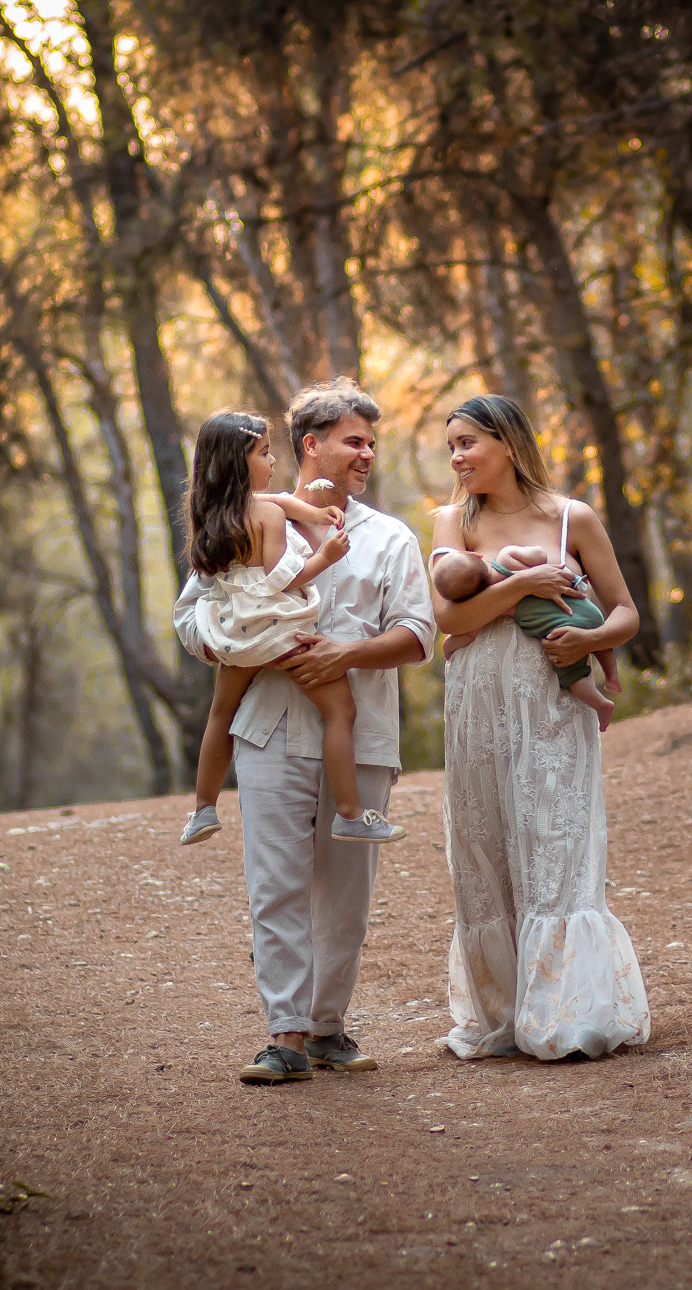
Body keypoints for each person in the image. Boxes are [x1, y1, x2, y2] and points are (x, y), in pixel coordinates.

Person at [174, 381, 436, 1086]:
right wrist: (235, 645)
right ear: (310, 445)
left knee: (345, 894)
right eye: (355, 440)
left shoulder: (391, 538)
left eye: (372, 443)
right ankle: (284, 1036)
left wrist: (343, 654)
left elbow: (419, 636)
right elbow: (189, 615)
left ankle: (327, 1026)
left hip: (361, 732)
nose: (367, 454)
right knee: (276, 887)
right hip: (266, 729)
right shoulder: (242, 519)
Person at [428, 393, 651, 1061]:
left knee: (553, 841)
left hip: (551, 706)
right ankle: (502, 1011)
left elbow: (625, 614)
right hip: (478, 706)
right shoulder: (452, 522)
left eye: (468, 442)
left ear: (508, 442)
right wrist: (524, 589)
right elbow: (453, 621)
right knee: (486, 847)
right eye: (451, 447)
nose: (458, 458)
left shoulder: (570, 518)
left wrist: (583, 643)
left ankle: (565, 1011)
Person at [175, 411, 403, 849]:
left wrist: (316, 508)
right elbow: (283, 577)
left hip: (236, 634)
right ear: (241, 464)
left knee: (221, 713)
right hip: (277, 634)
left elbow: (284, 501)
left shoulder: (216, 513)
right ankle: (353, 814)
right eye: (264, 453)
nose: (274, 461)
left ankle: (202, 809)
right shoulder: (266, 516)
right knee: (340, 712)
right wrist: (327, 556)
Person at [431, 541, 623, 731]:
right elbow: (539, 554)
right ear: (476, 556)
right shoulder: (506, 559)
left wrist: (449, 645)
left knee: (574, 678)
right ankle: (611, 675)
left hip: (563, 630)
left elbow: (470, 634)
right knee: (599, 639)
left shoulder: (491, 608)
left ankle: (601, 704)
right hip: (583, 608)